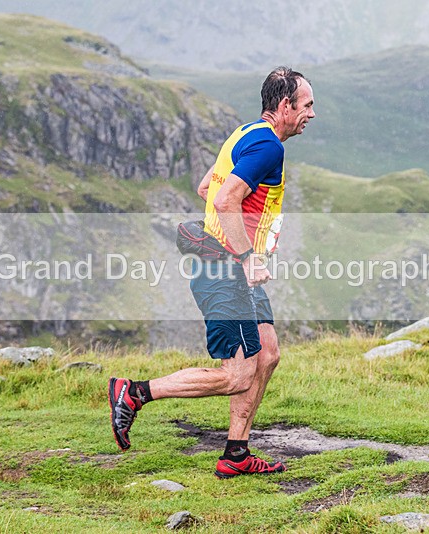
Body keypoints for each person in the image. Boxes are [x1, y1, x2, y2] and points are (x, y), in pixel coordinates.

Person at [109, 67, 315, 478]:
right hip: (225, 269)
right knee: (237, 374)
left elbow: (207, 187)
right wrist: (247, 255)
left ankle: (236, 453)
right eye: (307, 105)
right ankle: (133, 393)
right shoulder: (269, 148)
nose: (312, 113)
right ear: (285, 106)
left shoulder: (246, 132)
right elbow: (223, 201)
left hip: (232, 266)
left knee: (268, 354)